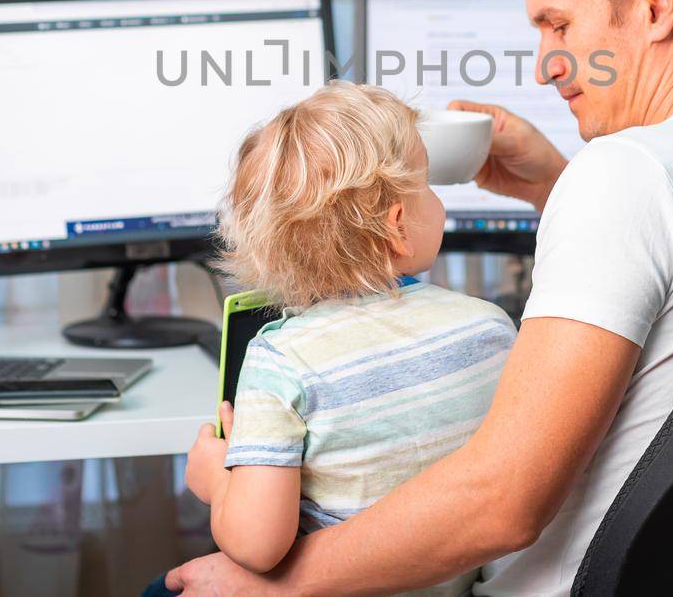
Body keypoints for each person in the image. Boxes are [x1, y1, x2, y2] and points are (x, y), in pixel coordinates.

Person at [166, 0, 673, 596]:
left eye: (559, 24)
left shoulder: (627, 176)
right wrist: (557, 182)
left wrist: (278, 588)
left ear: (655, 2)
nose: (546, 65)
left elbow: (501, 503)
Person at [166, 81, 516, 597]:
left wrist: (218, 482)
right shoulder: (490, 327)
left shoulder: (280, 361)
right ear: (398, 226)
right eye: (428, 184)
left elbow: (259, 546)